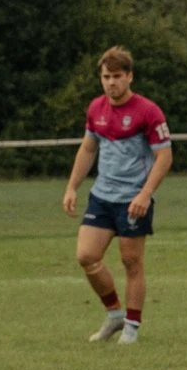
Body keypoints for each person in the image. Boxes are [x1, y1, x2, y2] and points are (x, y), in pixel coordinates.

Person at [61, 47, 172, 344]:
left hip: (133, 199)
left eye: (117, 77)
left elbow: (164, 157)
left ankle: (132, 327)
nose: (111, 83)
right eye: (106, 77)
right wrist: (72, 186)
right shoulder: (96, 108)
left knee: (131, 262)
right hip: (102, 196)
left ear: (130, 76)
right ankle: (114, 315)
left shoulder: (148, 111)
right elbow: (88, 148)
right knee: (86, 256)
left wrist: (145, 195)